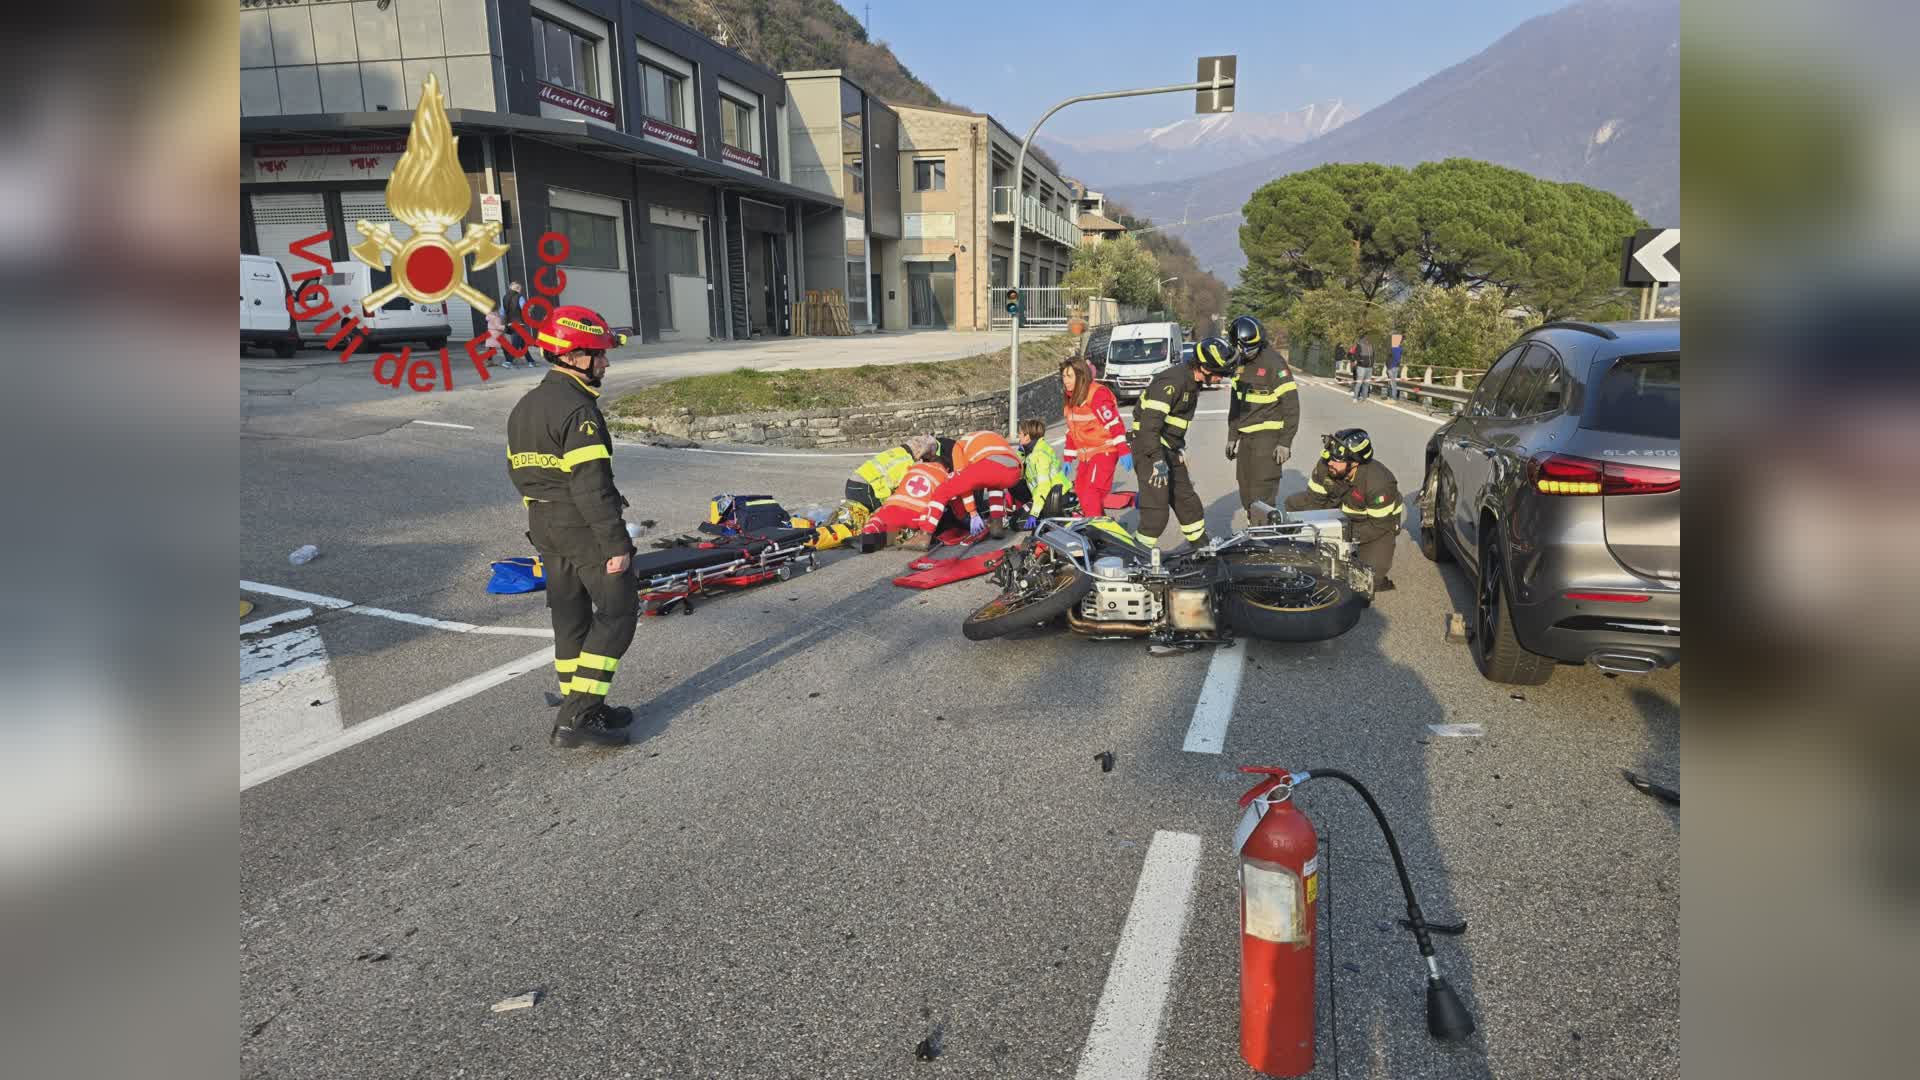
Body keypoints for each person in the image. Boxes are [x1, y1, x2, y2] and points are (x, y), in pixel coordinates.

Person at [505, 304, 639, 746]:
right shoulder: (578, 411)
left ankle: (580, 702)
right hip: (583, 527)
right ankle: (576, 716)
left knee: (570, 616)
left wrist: (543, 514)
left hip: (543, 523)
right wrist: (618, 545)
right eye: (597, 354)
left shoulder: (525, 406)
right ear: (572, 356)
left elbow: (518, 473)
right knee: (618, 613)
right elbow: (591, 487)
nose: (605, 361)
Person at [1133, 336, 1235, 550]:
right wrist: (1158, 461)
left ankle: (1201, 546)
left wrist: (1178, 448)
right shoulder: (1172, 382)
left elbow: (1173, 424)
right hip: (1149, 449)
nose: (1222, 379)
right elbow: (1149, 427)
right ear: (1205, 368)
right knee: (1156, 514)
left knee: (1188, 503)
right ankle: (1136, 555)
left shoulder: (1191, 382)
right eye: (1220, 374)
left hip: (1167, 449)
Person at [1284, 427, 1403, 591]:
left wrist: (1343, 536)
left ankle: (1359, 559)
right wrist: (1315, 535)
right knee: (1294, 504)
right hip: (1340, 511)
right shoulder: (1326, 466)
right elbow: (1313, 503)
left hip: (1375, 526)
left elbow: (1379, 525)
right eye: (1329, 457)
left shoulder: (1379, 483)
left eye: (1336, 460)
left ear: (1354, 463)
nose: (1329, 462)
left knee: (1364, 582)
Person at [1224, 315, 1300, 528]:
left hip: (1268, 438)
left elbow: (1291, 406)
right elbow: (1236, 404)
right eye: (1245, 348)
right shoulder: (1239, 364)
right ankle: (1254, 528)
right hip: (1246, 438)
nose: (1250, 351)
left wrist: (1285, 442)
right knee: (1246, 488)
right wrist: (1232, 436)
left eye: (1253, 347)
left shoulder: (1274, 363)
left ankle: (1266, 537)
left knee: (1262, 492)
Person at [922, 429, 1023, 541]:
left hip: (990, 465)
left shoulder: (958, 446)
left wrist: (973, 513)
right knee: (995, 485)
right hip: (1015, 470)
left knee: (943, 491)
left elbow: (964, 487)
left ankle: (925, 535)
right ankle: (996, 524)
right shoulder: (989, 436)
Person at [1059, 354, 1128, 518]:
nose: (1066, 380)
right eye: (1063, 376)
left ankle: (1097, 529)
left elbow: (1114, 423)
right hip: (1086, 455)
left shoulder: (1096, 394)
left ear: (1081, 375)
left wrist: (1123, 450)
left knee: (1091, 492)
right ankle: (1100, 524)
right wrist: (1068, 458)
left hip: (1103, 451)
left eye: (1070, 376)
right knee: (1082, 492)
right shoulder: (1071, 399)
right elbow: (1072, 430)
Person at [860, 460, 950, 538]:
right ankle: (909, 534)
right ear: (948, 469)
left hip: (893, 509)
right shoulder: (945, 475)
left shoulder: (915, 467)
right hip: (918, 516)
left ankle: (869, 532)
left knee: (879, 518)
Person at [846, 435, 939, 511]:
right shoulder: (907, 462)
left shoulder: (897, 451)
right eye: (926, 456)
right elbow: (904, 490)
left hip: (853, 483)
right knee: (878, 520)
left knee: (857, 518)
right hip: (865, 488)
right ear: (920, 452)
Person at [1015, 417, 1068, 526]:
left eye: (1020, 434)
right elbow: (1019, 469)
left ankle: (1047, 516)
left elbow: (1044, 486)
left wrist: (1034, 513)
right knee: (1014, 484)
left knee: (1016, 523)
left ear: (1027, 436)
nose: (1018, 436)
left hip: (1054, 497)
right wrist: (1021, 452)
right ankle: (1033, 508)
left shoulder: (1040, 455)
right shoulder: (1030, 449)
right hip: (1042, 495)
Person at [503, 282, 532, 368]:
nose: (520, 290)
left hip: (510, 323)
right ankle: (508, 361)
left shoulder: (505, 297)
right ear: (518, 289)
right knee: (515, 344)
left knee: (522, 343)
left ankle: (531, 361)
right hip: (519, 323)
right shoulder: (520, 297)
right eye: (520, 289)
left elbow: (502, 311)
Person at [1352, 336, 1375, 400]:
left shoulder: (1371, 345)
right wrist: (1361, 361)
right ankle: (1355, 397)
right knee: (1359, 383)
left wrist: (1372, 363)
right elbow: (1355, 355)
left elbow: (1373, 355)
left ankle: (1364, 398)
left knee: (1366, 384)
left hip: (1369, 367)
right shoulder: (1360, 345)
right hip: (1361, 367)